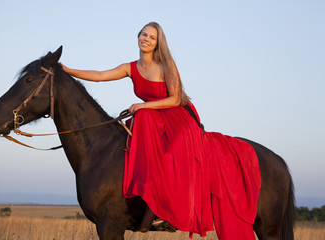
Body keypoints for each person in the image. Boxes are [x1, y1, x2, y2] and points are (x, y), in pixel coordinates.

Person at [61, 22, 261, 240]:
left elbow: (175, 98)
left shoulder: (166, 65)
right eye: (144, 34)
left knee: (164, 148)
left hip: (176, 117)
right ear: (138, 36)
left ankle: (164, 209)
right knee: (134, 137)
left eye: (152, 37)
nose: (146, 39)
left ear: (158, 43)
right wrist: (69, 71)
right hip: (151, 119)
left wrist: (143, 105)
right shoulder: (131, 67)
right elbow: (100, 75)